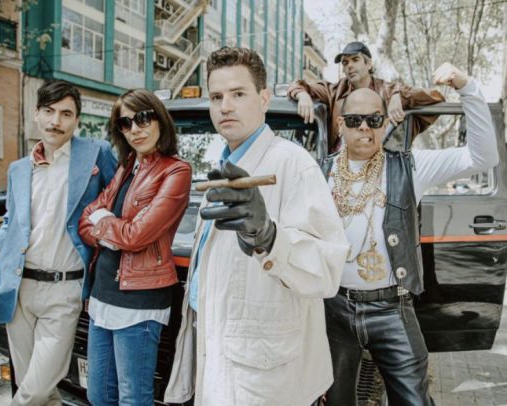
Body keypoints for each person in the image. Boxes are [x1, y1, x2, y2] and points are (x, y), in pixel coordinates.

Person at [164, 47, 349, 406]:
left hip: (268, 375)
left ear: (264, 99)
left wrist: (270, 237)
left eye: (238, 94)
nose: (225, 106)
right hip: (222, 354)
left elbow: (328, 270)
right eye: (216, 97)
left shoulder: (294, 164)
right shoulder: (223, 168)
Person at [320, 63, 499, 406]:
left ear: (384, 124)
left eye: (374, 119)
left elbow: (483, 157)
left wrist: (468, 88)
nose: (364, 127)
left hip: (392, 307)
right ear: (341, 124)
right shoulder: (318, 173)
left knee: (414, 400)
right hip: (334, 309)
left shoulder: (409, 166)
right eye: (355, 120)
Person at [0, 80, 117, 405]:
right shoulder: (18, 169)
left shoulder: (95, 153)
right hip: (19, 287)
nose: (56, 121)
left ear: (77, 120)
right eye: (49, 111)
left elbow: (119, 199)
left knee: (35, 390)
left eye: (66, 114)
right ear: (37, 114)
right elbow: (11, 221)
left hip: (65, 289)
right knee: (39, 390)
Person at [78, 89, 192, 406]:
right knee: (98, 395)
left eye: (142, 118)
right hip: (101, 296)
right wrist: (110, 226)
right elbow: (86, 219)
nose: (135, 129)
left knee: (133, 399)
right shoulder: (127, 166)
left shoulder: (176, 170)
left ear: (159, 119)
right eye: (125, 123)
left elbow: (136, 236)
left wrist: (105, 223)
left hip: (139, 301)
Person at [288, 41, 445, 152]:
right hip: (339, 167)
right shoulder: (335, 91)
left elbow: (435, 97)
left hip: (381, 167)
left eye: (355, 60)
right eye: (345, 63)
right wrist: (303, 95)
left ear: (369, 64)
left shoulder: (387, 90)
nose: (349, 66)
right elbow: (297, 85)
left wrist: (399, 96)